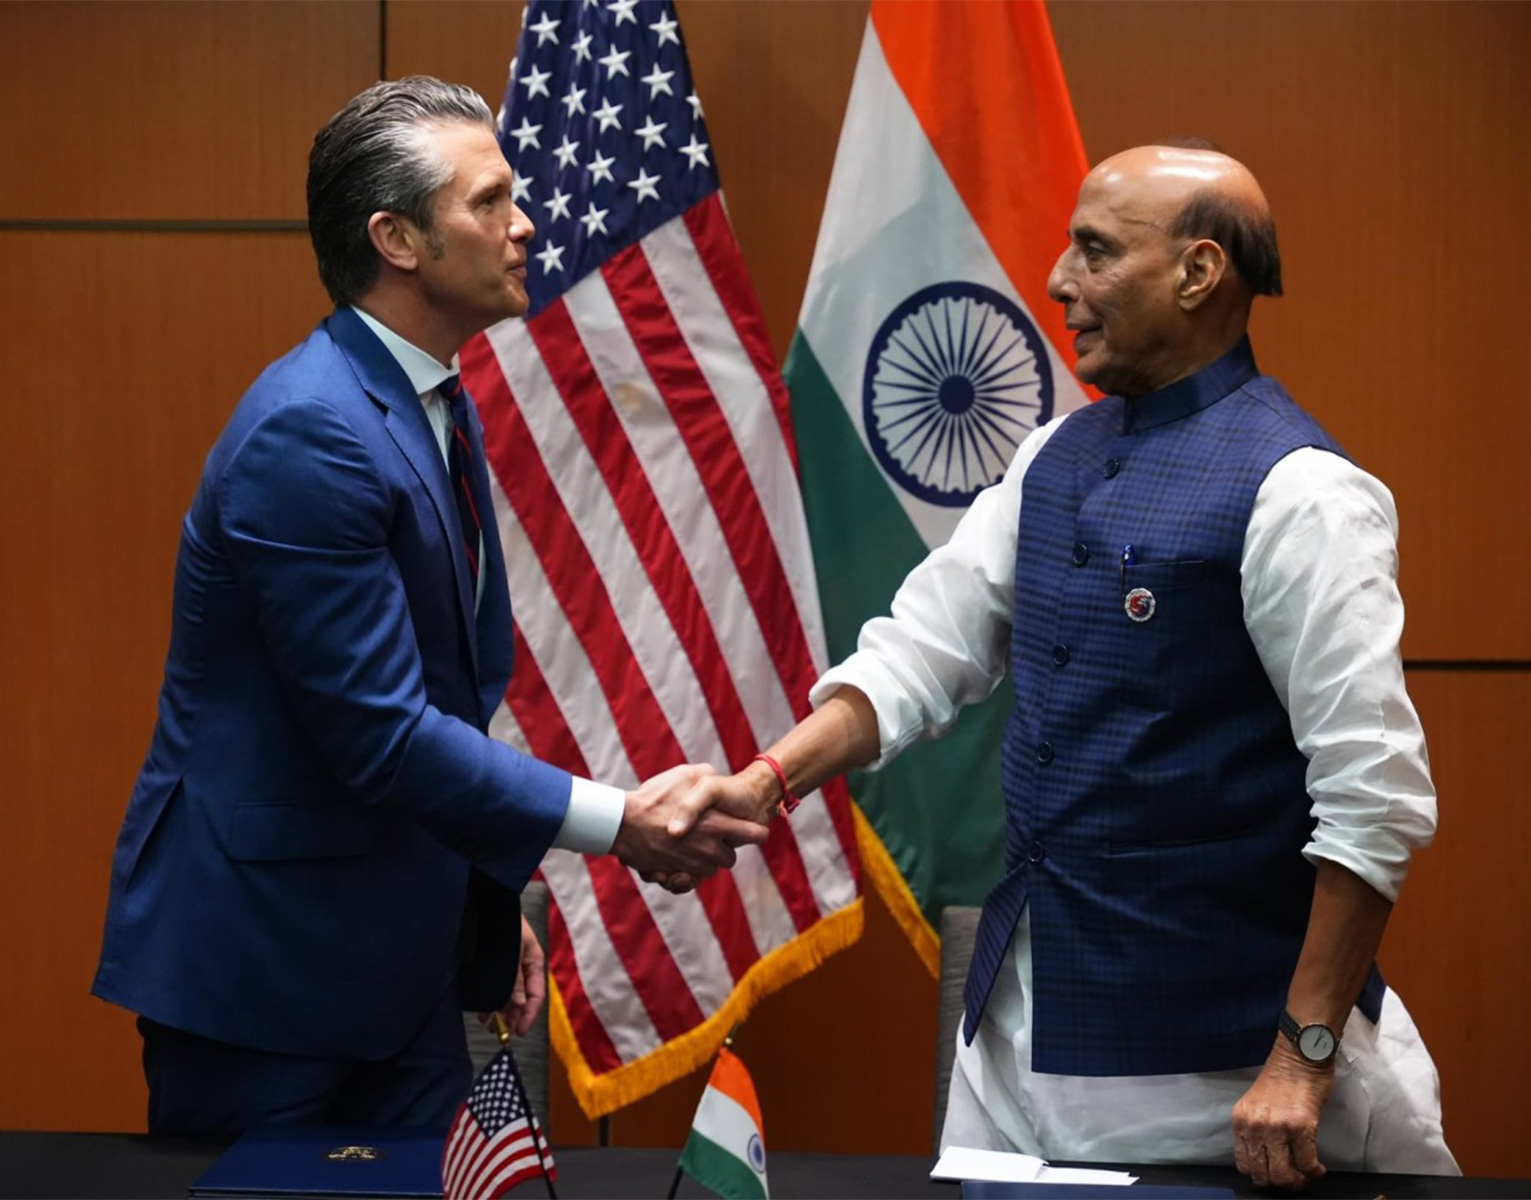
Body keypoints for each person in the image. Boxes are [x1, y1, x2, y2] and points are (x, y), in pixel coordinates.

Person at [667, 144, 1459, 1190]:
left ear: (1198, 272)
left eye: (1095, 250)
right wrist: (768, 781)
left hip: (1227, 1072)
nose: (1056, 279)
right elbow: (919, 654)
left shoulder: (1304, 493)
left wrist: (1300, 1057)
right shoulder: (1049, 457)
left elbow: (1374, 799)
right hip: (1016, 1050)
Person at [91, 76, 766, 1140]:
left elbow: (446, 697)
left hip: (400, 959)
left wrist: (477, 909)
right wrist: (619, 823)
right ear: (397, 239)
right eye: (489, 201)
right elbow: (381, 734)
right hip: (266, 973)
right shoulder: (310, 432)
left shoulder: (429, 401)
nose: (525, 223)